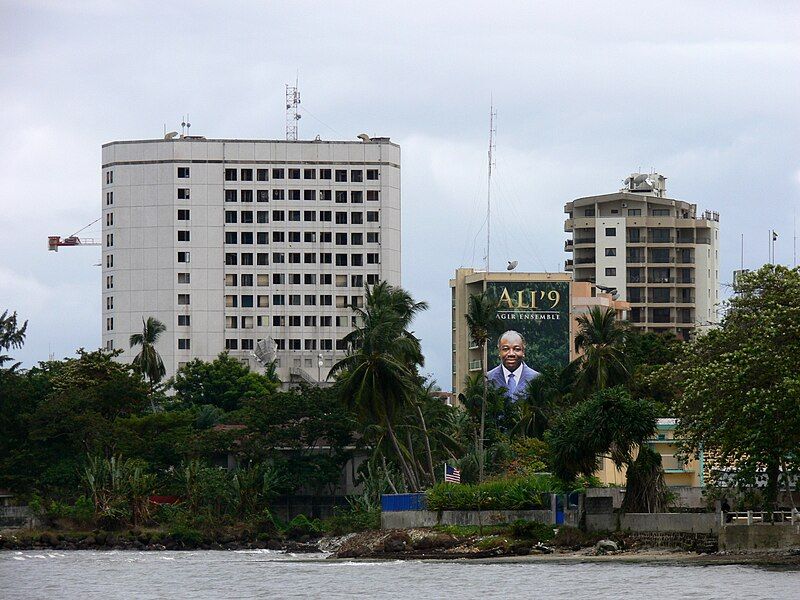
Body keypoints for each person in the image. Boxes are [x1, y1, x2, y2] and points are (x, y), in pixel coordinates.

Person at [486, 330, 540, 400]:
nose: (511, 354)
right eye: (505, 349)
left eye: (517, 349)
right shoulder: (487, 379)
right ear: (499, 351)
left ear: (523, 352)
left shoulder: (537, 380)